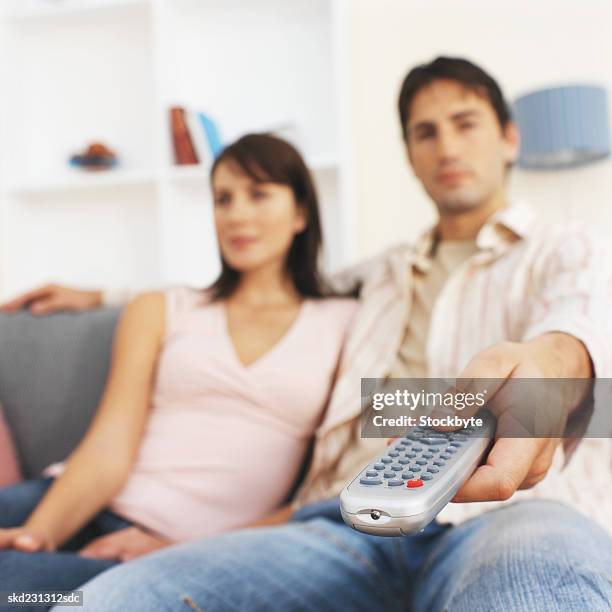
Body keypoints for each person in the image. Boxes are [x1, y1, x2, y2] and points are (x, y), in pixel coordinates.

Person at [6, 57, 612, 611]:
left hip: (507, 515)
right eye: (425, 132)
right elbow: (267, 282)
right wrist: (104, 296)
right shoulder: (383, 274)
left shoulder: (568, 247)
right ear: (408, 154)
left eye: (465, 123)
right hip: (341, 521)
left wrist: (551, 361)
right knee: (111, 600)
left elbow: (580, 326)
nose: (446, 145)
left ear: (510, 138)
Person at [0, 134, 358, 609]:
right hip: (67, 500)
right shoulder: (162, 307)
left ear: (300, 213)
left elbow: (325, 493)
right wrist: (40, 532)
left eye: (258, 193)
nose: (236, 214)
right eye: (223, 198)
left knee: (18, 595)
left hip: (173, 549)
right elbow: (110, 444)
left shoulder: (348, 322)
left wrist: (181, 550)